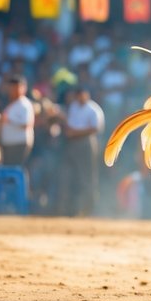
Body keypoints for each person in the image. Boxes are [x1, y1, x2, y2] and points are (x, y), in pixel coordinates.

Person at [63, 86, 104, 217]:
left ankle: (89, 210)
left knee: (88, 178)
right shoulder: (74, 107)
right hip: (72, 143)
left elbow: (95, 128)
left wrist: (76, 132)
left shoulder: (93, 109)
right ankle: (73, 209)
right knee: (73, 177)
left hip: (86, 143)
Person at [0, 75, 34, 167]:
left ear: (23, 88)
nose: (14, 90)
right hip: (8, 144)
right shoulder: (11, 104)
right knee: (9, 170)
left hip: (19, 144)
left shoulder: (24, 104)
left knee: (17, 170)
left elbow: (26, 124)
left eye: (17, 87)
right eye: (12, 87)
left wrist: (9, 120)